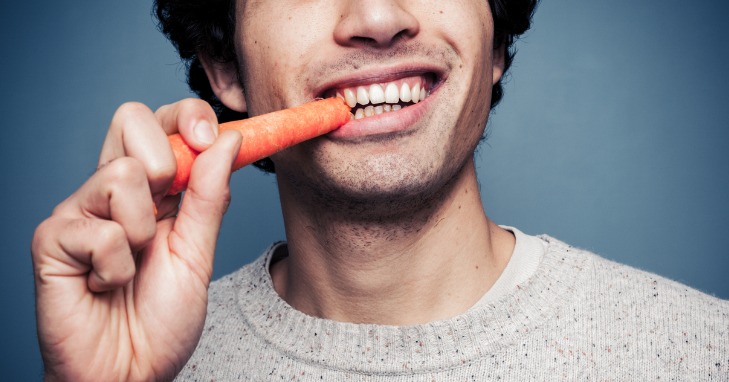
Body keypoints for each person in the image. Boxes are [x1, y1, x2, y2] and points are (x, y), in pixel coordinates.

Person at [31, 0, 728, 380]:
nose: (375, 16)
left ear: (496, 44)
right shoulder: (145, 361)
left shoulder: (702, 354)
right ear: (224, 68)